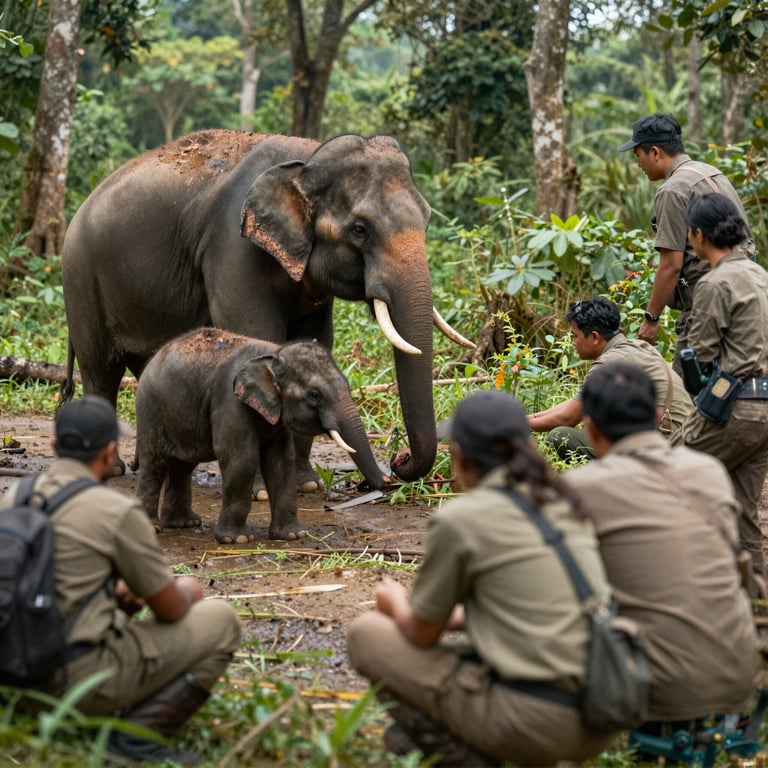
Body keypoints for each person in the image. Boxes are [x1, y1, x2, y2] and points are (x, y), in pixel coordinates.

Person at [347, 390, 618, 767]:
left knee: (366, 634)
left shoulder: (461, 520)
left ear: (459, 456)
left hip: (537, 721)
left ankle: (465, 757)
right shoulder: (564, 501)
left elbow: (422, 633)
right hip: (601, 714)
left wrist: (393, 599)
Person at [0, 395, 242, 765]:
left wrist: (107, 596)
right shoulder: (117, 510)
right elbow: (171, 608)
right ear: (109, 452)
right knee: (222, 622)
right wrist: (186, 589)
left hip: (12, 676)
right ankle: (132, 739)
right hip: (74, 684)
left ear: (53, 445)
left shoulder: (14, 496)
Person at [566, 362, 757, 727]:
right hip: (737, 678)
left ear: (589, 427)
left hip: (654, 691)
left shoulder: (582, 488)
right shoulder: (709, 472)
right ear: (657, 416)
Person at [671, 192, 768, 579]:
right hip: (765, 412)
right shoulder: (762, 276)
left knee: (664, 471)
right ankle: (756, 612)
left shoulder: (714, 283)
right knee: (745, 516)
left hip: (733, 407)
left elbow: (699, 355)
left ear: (697, 235)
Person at [618, 113, 756, 372]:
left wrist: (651, 318)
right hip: (746, 296)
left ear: (655, 152)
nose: (639, 165)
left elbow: (671, 265)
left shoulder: (672, 190)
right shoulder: (710, 172)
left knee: (687, 392)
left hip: (705, 307)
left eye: (638, 156)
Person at [529, 296, 692, 461]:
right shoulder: (635, 347)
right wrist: (530, 418)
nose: (573, 342)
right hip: (687, 439)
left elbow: (567, 418)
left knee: (559, 436)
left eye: (575, 336)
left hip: (667, 445)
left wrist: (518, 424)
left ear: (594, 337)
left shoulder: (610, 361)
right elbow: (574, 403)